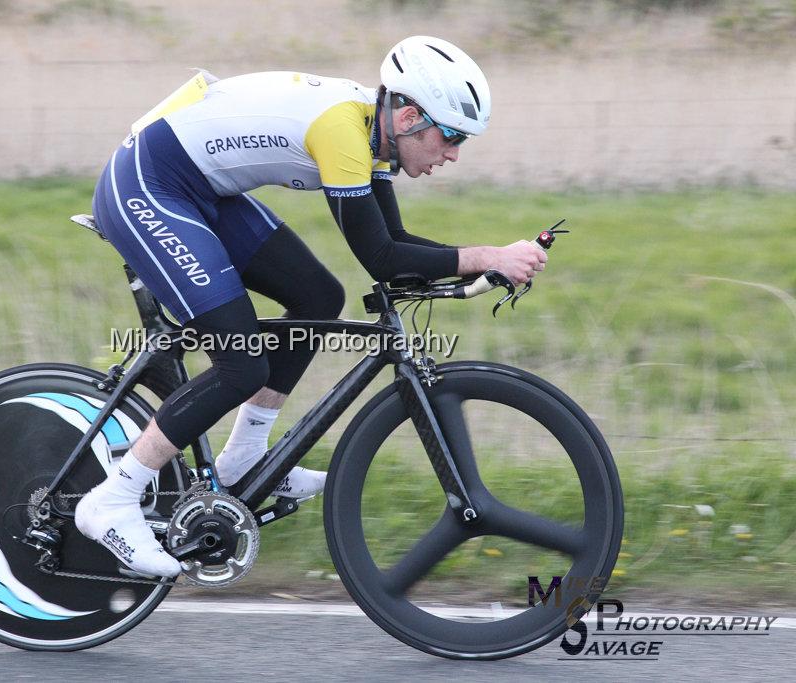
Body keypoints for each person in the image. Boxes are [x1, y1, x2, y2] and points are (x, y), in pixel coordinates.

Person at [76, 36, 547, 577]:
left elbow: (393, 240)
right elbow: (384, 258)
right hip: (149, 187)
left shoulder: (376, 136)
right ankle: (112, 497)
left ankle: (245, 457)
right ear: (410, 116)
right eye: (452, 136)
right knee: (241, 364)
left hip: (199, 189)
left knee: (319, 297)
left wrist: (471, 266)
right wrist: (487, 255)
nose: (455, 154)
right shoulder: (344, 134)